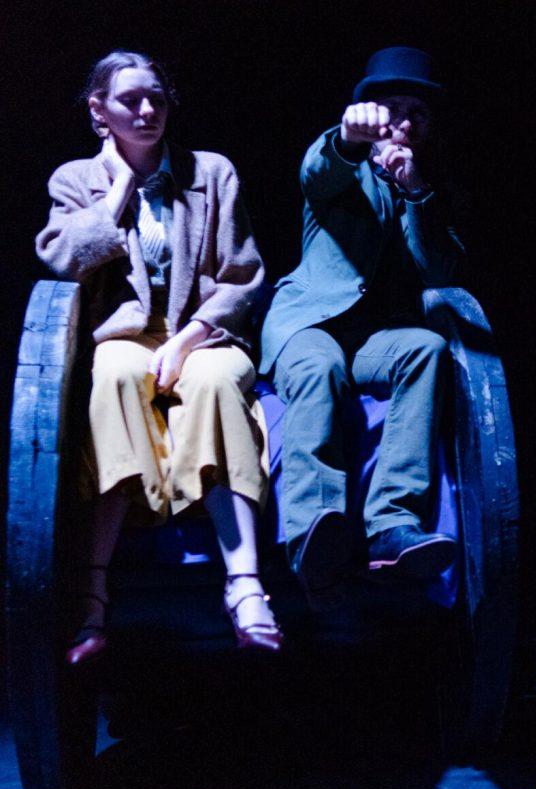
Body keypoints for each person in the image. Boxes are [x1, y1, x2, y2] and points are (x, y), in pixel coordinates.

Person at [35, 50, 281, 662]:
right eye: (129, 101)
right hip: (122, 337)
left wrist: (189, 337)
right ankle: (93, 596)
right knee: (116, 373)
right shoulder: (75, 181)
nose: (148, 111)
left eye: (158, 99)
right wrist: (117, 193)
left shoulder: (212, 173)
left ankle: (245, 585)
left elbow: (243, 275)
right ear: (99, 111)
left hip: (204, 334)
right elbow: (62, 258)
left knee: (217, 381)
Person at [260, 46, 464, 609]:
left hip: (374, 339)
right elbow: (316, 172)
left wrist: (418, 193)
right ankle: (311, 537)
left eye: (417, 113)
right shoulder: (341, 165)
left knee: (425, 348)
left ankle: (392, 525)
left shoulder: (427, 184)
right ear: (370, 112)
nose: (404, 122)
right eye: (391, 108)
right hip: (310, 325)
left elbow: (438, 271)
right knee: (320, 366)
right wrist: (349, 137)